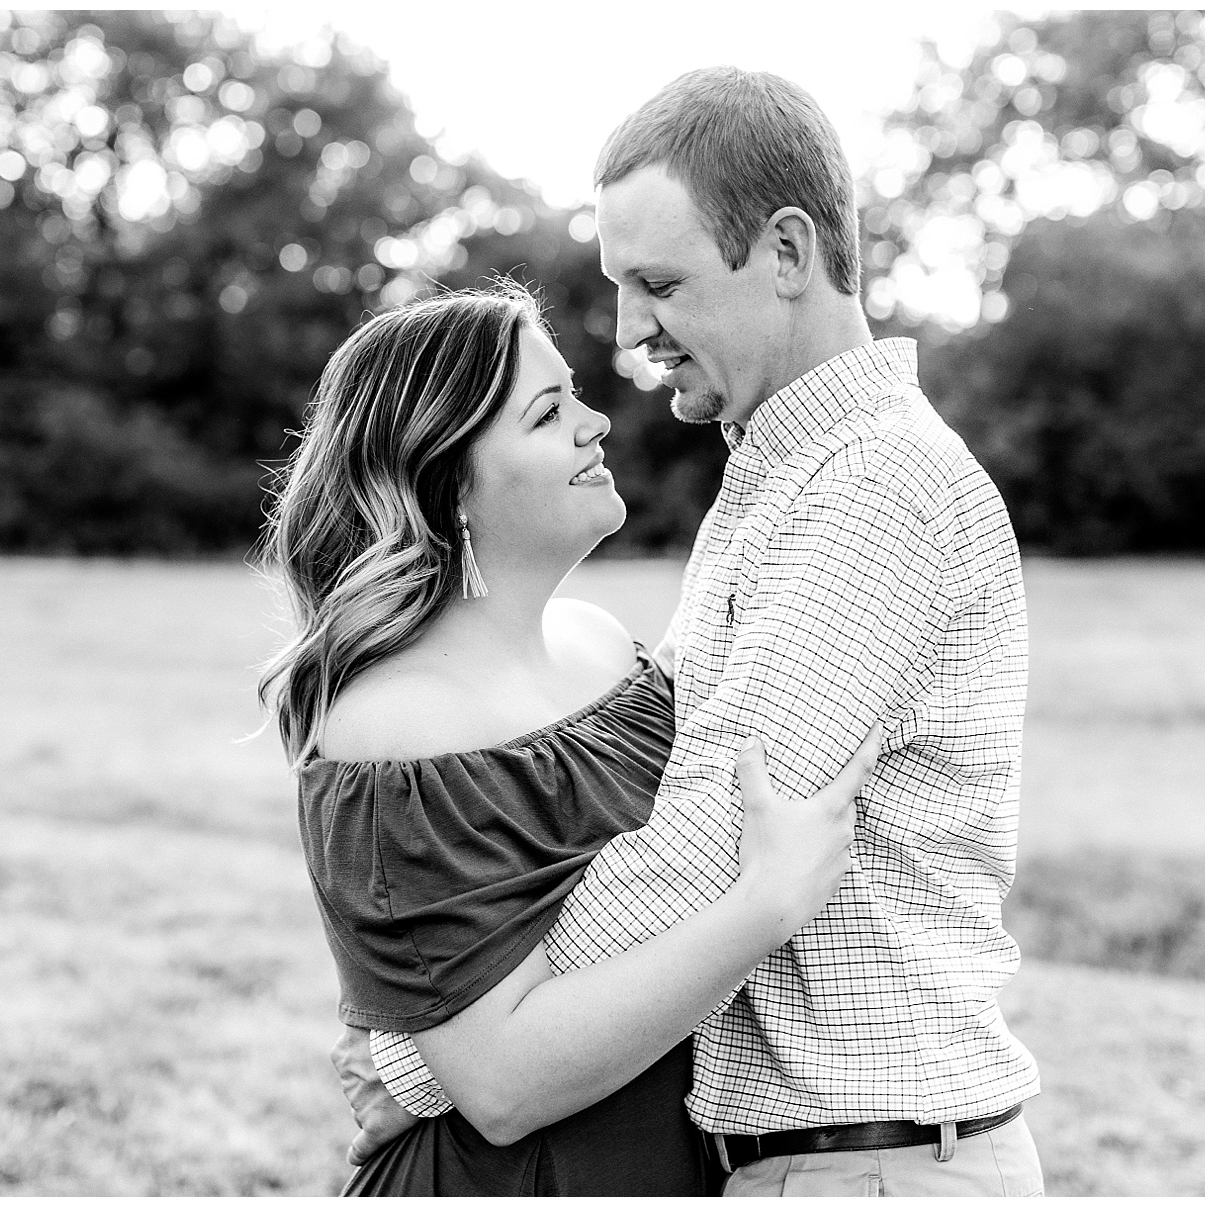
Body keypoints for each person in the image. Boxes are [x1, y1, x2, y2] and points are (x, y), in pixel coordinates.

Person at [340, 67, 1046, 1196]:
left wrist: (430, 1051)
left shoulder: (876, 488)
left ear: (785, 251)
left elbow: (711, 839)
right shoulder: (781, 472)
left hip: (873, 1169)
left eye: (658, 282)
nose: (629, 335)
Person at [259, 282, 883, 1195]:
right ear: (448, 481)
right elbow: (503, 1086)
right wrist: (768, 904)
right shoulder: (391, 728)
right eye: (550, 412)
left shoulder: (603, 643)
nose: (598, 422)